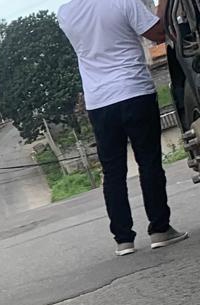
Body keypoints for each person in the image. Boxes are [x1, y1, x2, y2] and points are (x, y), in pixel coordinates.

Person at [58, 0, 189, 256]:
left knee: (113, 171)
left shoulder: (66, 13)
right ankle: (160, 230)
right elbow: (158, 33)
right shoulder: (123, 1)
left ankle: (123, 239)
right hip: (134, 90)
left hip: (98, 102)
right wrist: (162, 5)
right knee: (149, 162)